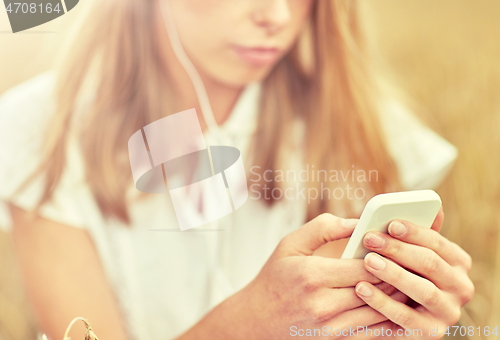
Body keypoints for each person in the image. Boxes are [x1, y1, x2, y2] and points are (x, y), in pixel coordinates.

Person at [0, 0, 473, 339]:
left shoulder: (357, 123)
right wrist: (246, 324)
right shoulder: (44, 131)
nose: (277, 16)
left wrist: (407, 318)